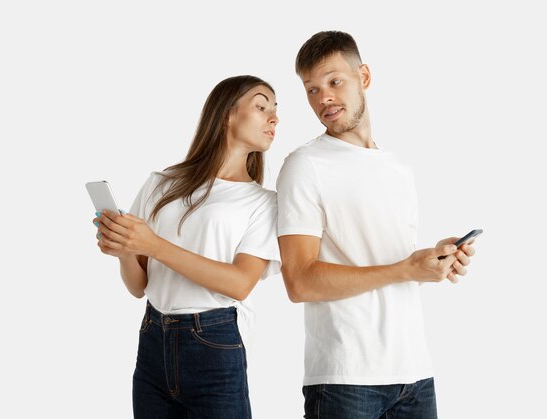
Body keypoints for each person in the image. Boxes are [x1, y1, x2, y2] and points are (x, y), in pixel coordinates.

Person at [276, 31, 477, 419]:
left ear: (364, 77)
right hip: (345, 379)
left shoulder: (399, 169)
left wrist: (434, 261)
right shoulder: (305, 166)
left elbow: (390, 263)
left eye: (334, 82)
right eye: (312, 89)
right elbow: (299, 281)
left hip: (415, 374)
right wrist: (404, 268)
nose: (324, 98)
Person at [92, 75, 280, 418]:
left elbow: (240, 283)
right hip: (153, 340)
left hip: (215, 344)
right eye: (261, 106)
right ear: (227, 114)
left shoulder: (263, 203)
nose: (274, 118)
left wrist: (154, 245)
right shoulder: (162, 183)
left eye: (275, 110)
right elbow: (139, 286)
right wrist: (124, 252)